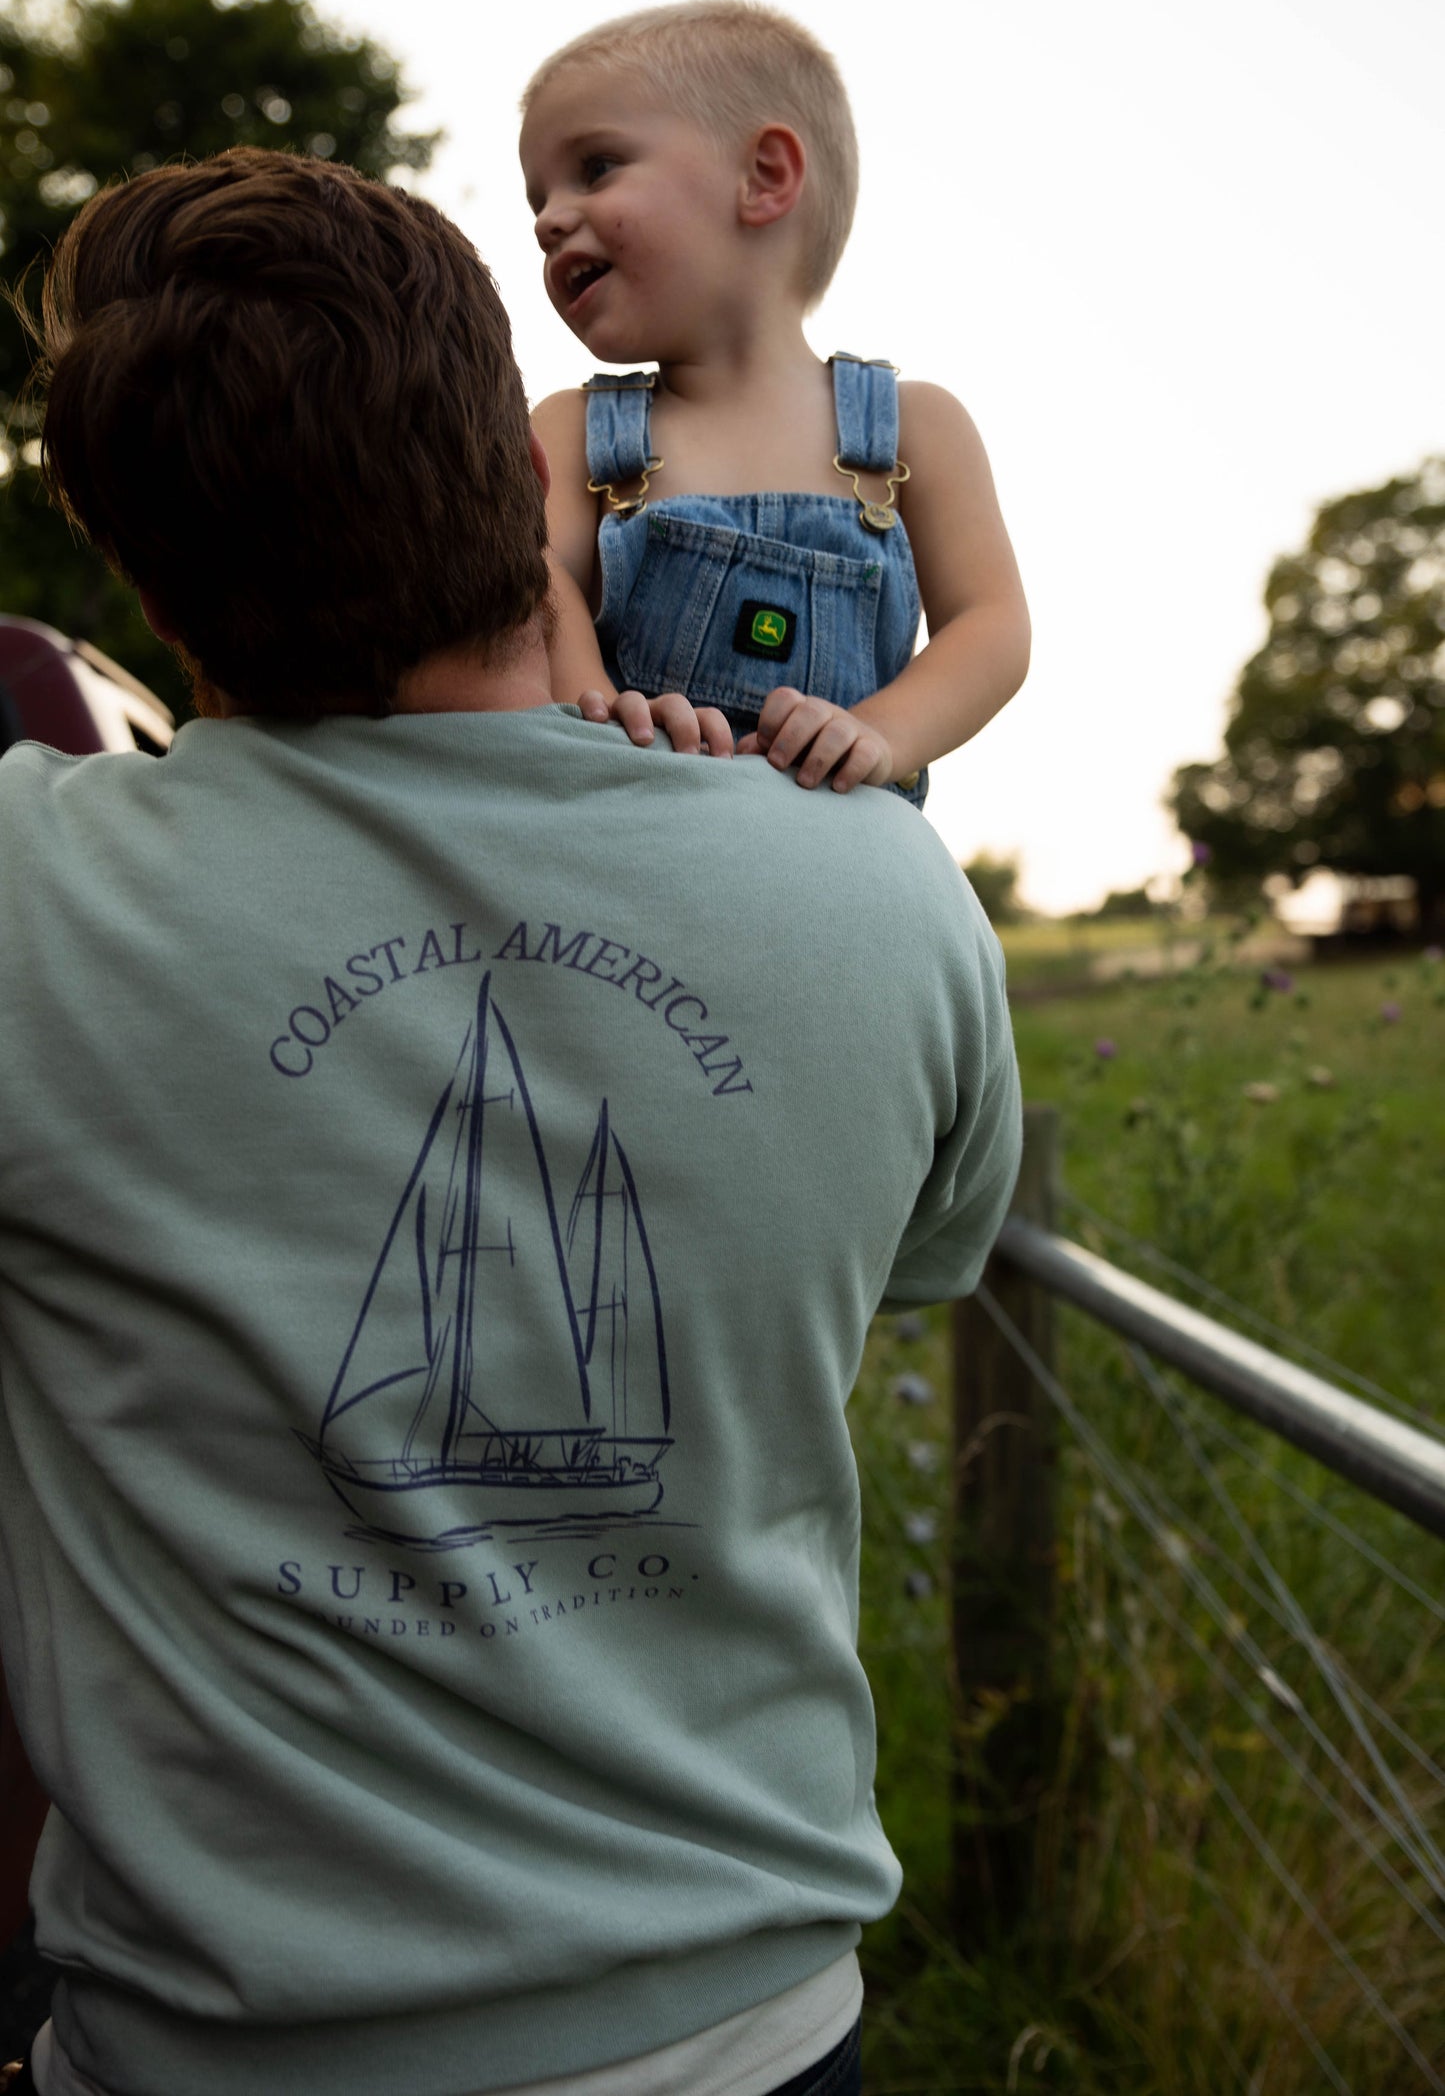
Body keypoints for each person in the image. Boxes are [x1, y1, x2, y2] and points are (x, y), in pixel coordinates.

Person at [0, 146, 1021, 2096]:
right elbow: (902, 1268)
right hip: (753, 2035)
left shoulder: (29, 905)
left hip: (207, 2053)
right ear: (512, 462)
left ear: (130, 543)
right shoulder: (876, 895)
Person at [519, 0, 1032, 809]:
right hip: (631, 848)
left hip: (841, 873)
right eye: (536, 199)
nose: (548, 219)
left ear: (763, 178)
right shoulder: (573, 430)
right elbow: (533, 576)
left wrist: (880, 733)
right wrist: (597, 713)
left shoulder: (911, 429)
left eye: (595, 168)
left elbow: (990, 627)